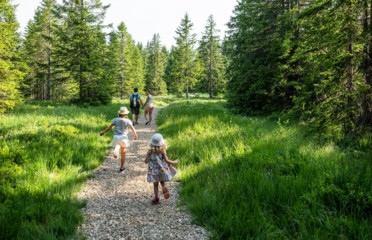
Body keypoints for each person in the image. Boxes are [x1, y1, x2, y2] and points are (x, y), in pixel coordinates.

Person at [100, 106, 138, 172]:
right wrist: (135, 135)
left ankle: (116, 149)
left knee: (117, 144)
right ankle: (122, 167)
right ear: (126, 114)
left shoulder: (115, 120)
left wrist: (103, 132)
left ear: (119, 113)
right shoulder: (128, 121)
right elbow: (132, 128)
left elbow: (109, 128)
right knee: (123, 152)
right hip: (124, 138)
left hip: (116, 137)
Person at [145, 133, 179, 204]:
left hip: (154, 171)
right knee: (162, 182)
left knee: (155, 184)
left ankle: (156, 197)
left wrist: (148, 158)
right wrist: (174, 161)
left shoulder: (150, 151)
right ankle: (164, 187)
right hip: (162, 169)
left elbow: (146, 161)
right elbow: (167, 160)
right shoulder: (162, 151)